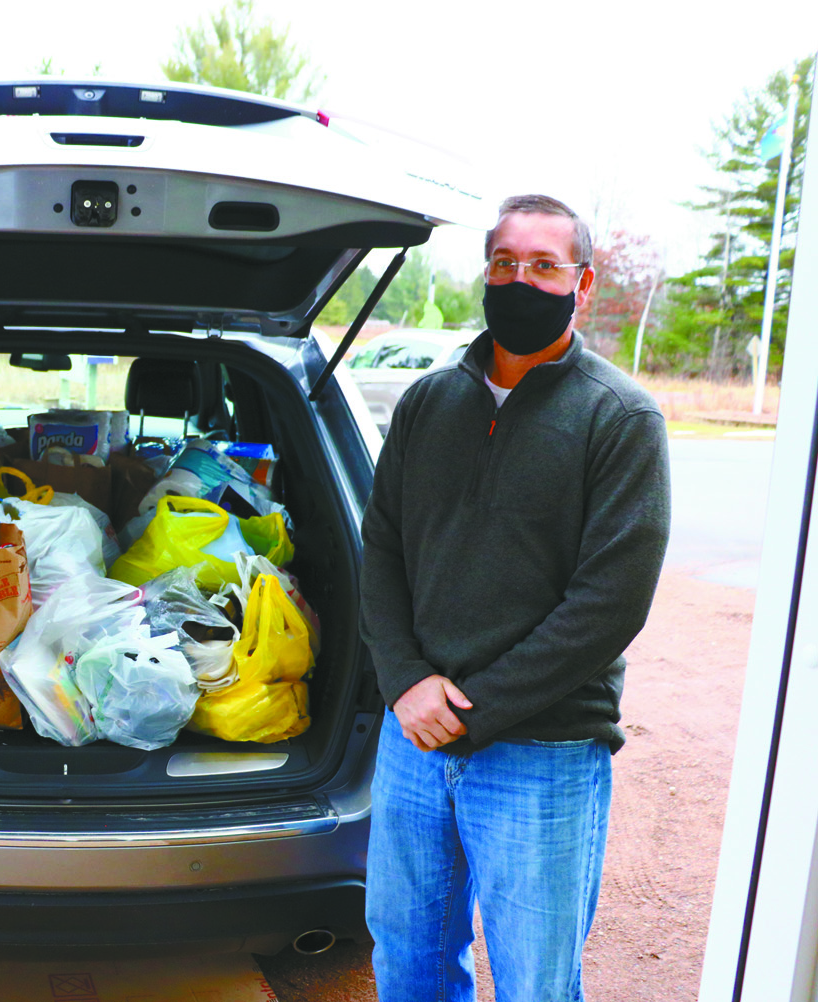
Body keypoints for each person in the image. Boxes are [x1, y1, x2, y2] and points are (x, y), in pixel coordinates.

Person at [358, 194, 671, 1001]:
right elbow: (381, 549)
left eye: (542, 266)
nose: (519, 280)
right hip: (414, 740)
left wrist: (472, 707)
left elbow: (608, 603)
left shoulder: (619, 418)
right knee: (407, 958)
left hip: (542, 750)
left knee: (533, 980)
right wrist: (404, 681)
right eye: (504, 264)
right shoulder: (427, 402)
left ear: (583, 285)